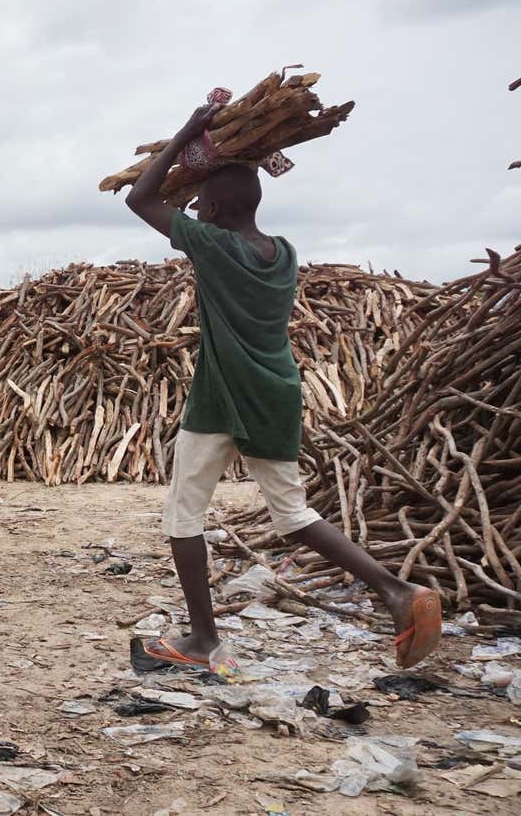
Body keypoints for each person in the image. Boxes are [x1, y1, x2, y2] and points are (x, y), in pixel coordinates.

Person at [125, 102, 441, 671]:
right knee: (293, 514)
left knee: (183, 515)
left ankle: (203, 640)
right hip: (276, 391)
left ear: (216, 208)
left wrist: (185, 135)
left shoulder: (215, 246)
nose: (192, 207)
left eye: (200, 201)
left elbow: (141, 200)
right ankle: (397, 592)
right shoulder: (284, 254)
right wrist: (211, 160)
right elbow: (189, 203)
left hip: (222, 396)